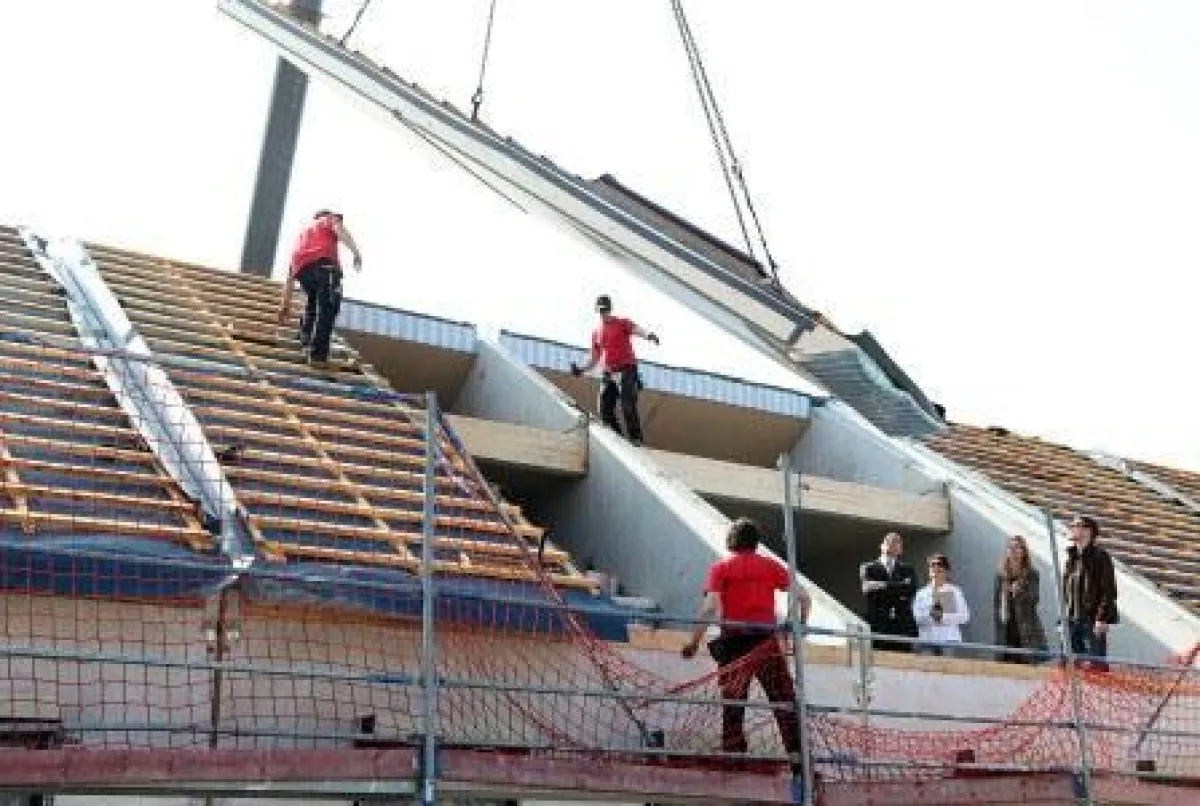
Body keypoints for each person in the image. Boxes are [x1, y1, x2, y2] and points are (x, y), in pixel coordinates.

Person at [680, 518, 809, 766]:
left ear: (732, 540)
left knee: (733, 703)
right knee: (784, 702)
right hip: (766, 643)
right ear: (755, 541)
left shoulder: (721, 568)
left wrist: (694, 642)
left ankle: (734, 759)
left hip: (734, 642)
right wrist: (801, 625)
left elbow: (709, 608)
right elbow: (804, 597)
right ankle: (799, 762)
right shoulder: (771, 566)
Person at [569, 295, 658, 447]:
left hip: (627, 370)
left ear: (610, 309)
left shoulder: (622, 323)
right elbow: (594, 358)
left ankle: (636, 438)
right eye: (601, 311)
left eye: (605, 310)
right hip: (609, 373)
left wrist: (649, 335)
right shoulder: (596, 333)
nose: (603, 313)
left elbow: (636, 329)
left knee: (627, 404)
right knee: (604, 408)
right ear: (597, 311)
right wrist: (581, 370)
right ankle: (618, 439)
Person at [277, 210, 363, 367]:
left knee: (312, 303)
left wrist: (285, 305)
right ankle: (318, 356)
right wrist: (356, 252)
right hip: (324, 266)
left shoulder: (303, 235)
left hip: (303, 271)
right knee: (328, 307)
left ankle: (305, 340)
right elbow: (339, 229)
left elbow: (290, 277)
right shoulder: (329, 219)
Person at [1062, 514, 1118, 669]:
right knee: (1070, 666)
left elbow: (1108, 591)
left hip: (1091, 621)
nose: (1072, 528)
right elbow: (1067, 590)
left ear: (1088, 531)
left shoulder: (1100, 557)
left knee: (1094, 666)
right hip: (1071, 620)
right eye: (1072, 525)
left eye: (1076, 525)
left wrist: (1101, 618)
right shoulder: (1072, 557)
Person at [859, 533, 919, 652]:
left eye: (897, 542)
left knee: (903, 660)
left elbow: (911, 590)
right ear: (881, 546)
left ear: (901, 550)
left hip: (902, 626)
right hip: (878, 625)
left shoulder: (908, 569)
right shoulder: (868, 567)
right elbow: (867, 589)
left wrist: (882, 584)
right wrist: (900, 586)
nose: (893, 543)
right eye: (889, 541)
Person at [993, 535, 1048, 664]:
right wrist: (999, 628)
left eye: (1017, 547)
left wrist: (1019, 592)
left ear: (1024, 552)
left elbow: (1034, 599)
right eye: (1010, 548)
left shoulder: (1031, 574)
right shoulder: (1000, 576)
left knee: (1026, 667)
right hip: (1006, 630)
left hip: (1025, 631)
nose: (1013, 551)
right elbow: (996, 605)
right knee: (1005, 668)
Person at [912, 553, 970, 657]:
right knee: (926, 666)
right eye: (932, 565)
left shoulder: (954, 591)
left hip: (948, 640)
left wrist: (942, 617)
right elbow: (917, 617)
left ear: (946, 571)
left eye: (939, 566)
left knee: (945, 666)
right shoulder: (922, 593)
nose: (935, 568)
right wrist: (933, 616)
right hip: (927, 640)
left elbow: (964, 617)